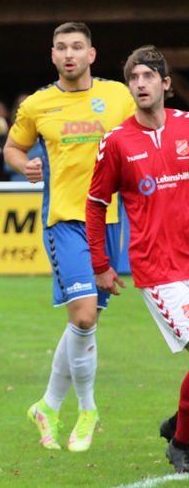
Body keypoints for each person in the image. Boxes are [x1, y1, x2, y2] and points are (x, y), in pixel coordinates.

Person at [4, 21, 136, 452]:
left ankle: (47, 405)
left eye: (77, 47)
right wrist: (23, 165)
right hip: (65, 221)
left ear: (92, 55)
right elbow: (13, 147)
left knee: (84, 322)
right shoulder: (38, 104)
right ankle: (88, 409)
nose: (69, 54)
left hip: (109, 220)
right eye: (61, 48)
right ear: (53, 55)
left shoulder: (118, 95)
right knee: (83, 317)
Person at [86, 46, 189, 473]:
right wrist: (100, 264)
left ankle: (179, 424)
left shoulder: (188, 127)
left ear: (166, 84)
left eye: (148, 76)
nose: (140, 83)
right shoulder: (116, 142)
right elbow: (95, 204)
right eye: (133, 77)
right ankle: (182, 444)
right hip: (159, 269)